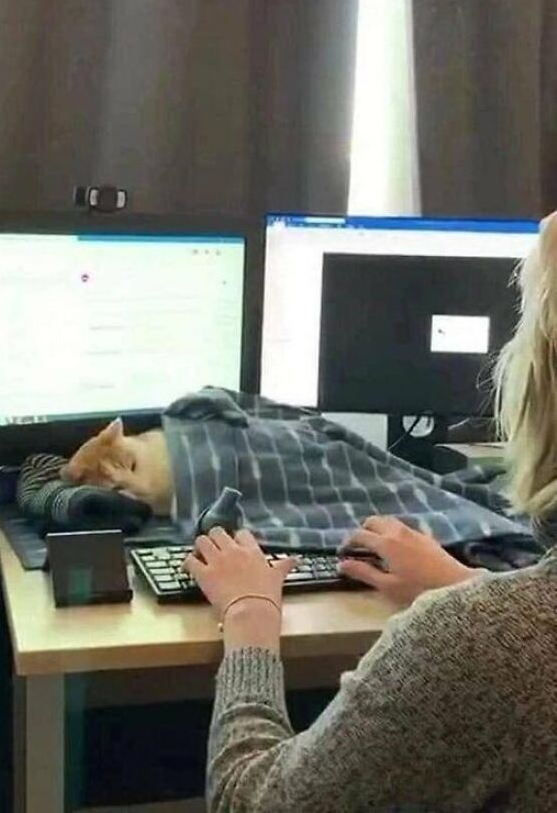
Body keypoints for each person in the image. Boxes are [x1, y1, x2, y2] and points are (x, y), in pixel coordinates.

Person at [184, 214, 557, 812]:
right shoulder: (497, 630)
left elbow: (250, 803)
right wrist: (474, 586)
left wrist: (249, 613)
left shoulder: (470, 643)